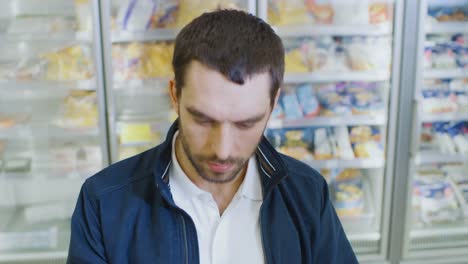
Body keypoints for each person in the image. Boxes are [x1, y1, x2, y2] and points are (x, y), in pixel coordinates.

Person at [67, 9, 358, 264]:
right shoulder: (104, 202)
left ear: (273, 103)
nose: (222, 150)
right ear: (174, 95)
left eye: (246, 124)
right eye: (203, 119)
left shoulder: (307, 195)